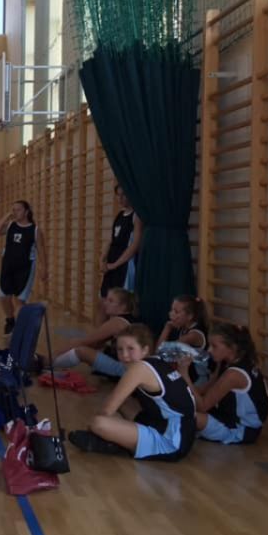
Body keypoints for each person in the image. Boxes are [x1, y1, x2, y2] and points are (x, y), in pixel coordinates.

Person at [69, 325, 196, 461]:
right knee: (124, 402)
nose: (124, 355)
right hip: (180, 431)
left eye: (130, 349)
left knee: (98, 423)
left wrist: (93, 430)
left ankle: (119, 444)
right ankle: (122, 441)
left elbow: (106, 411)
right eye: (120, 349)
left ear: (145, 350)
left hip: (170, 442)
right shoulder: (156, 361)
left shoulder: (138, 368)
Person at [176, 323, 268, 444]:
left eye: (214, 346)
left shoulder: (234, 374)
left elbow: (203, 406)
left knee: (186, 416)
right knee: (179, 405)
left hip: (241, 430)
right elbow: (207, 388)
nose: (209, 350)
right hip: (226, 415)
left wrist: (184, 374)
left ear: (232, 348)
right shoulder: (230, 361)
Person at [49, 287, 138, 378]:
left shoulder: (118, 322)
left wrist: (54, 355)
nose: (105, 303)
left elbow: (84, 341)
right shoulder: (127, 319)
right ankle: (51, 363)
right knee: (96, 346)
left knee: (81, 351)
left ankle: (48, 362)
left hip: (126, 371)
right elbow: (96, 343)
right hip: (132, 368)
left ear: (123, 307)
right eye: (106, 299)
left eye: (111, 301)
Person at [0, 200, 48, 335]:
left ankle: (19, 329)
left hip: (25, 268)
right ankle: (10, 320)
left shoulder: (35, 230)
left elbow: (41, 250)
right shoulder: (10, 225)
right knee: (4, 297)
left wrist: (44, 268)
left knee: (20, 300)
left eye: (18, 209)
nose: (15, 212)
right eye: (13, 209)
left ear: (26, 212)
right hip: (7, 266)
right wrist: (7, 215)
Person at [98, 185, 142, 320]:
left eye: (124, 194)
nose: (120, 198)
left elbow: (135, 245)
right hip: (111, 265)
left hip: (124, 266)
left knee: (119, 305)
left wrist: (115, 265)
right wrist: (102, 258)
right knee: (103, 302)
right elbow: (111, 240)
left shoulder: (136, 216)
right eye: (118, 195)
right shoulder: (119, 215)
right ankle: (101, 332)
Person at [156, 295, 210, 382]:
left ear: (190, 316)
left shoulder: (194, 335)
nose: (171, 314)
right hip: (187, 376)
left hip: (198, 380)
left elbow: (160, 351)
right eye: (171, 310)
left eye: (176, 312)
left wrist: (167, 328)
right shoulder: (184, 328)